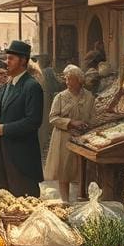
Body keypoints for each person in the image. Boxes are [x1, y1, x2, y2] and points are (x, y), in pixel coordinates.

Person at [0, 40, 45, 197]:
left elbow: (33, 121)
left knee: (24, 204)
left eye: (12, 58)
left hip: (21, 159)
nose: (8, 62)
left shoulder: (31, 86)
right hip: (1, 155)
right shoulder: (7, 85)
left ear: (24, 61)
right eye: (7, 58)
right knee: (4, 203)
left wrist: (4, 129)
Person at [44, 65, 94, 202]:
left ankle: (81, 198)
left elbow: (92, 116)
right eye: (66, 79)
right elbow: (52, 118)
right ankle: (65, 200)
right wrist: (71, 122)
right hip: (63, 137)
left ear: (79, 80)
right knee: (63, 170)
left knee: (80, 169)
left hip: (82, 137)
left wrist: (86, 125)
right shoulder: (60, 97)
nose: (67, 82)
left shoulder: (89, 96)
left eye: (70, 79)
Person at [33, 54, 64, 162]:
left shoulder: (37, 73)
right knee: (46, 127)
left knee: (40, 128)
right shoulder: (49, 71)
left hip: (38, 101)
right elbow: (57, 85)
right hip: (46, 101)